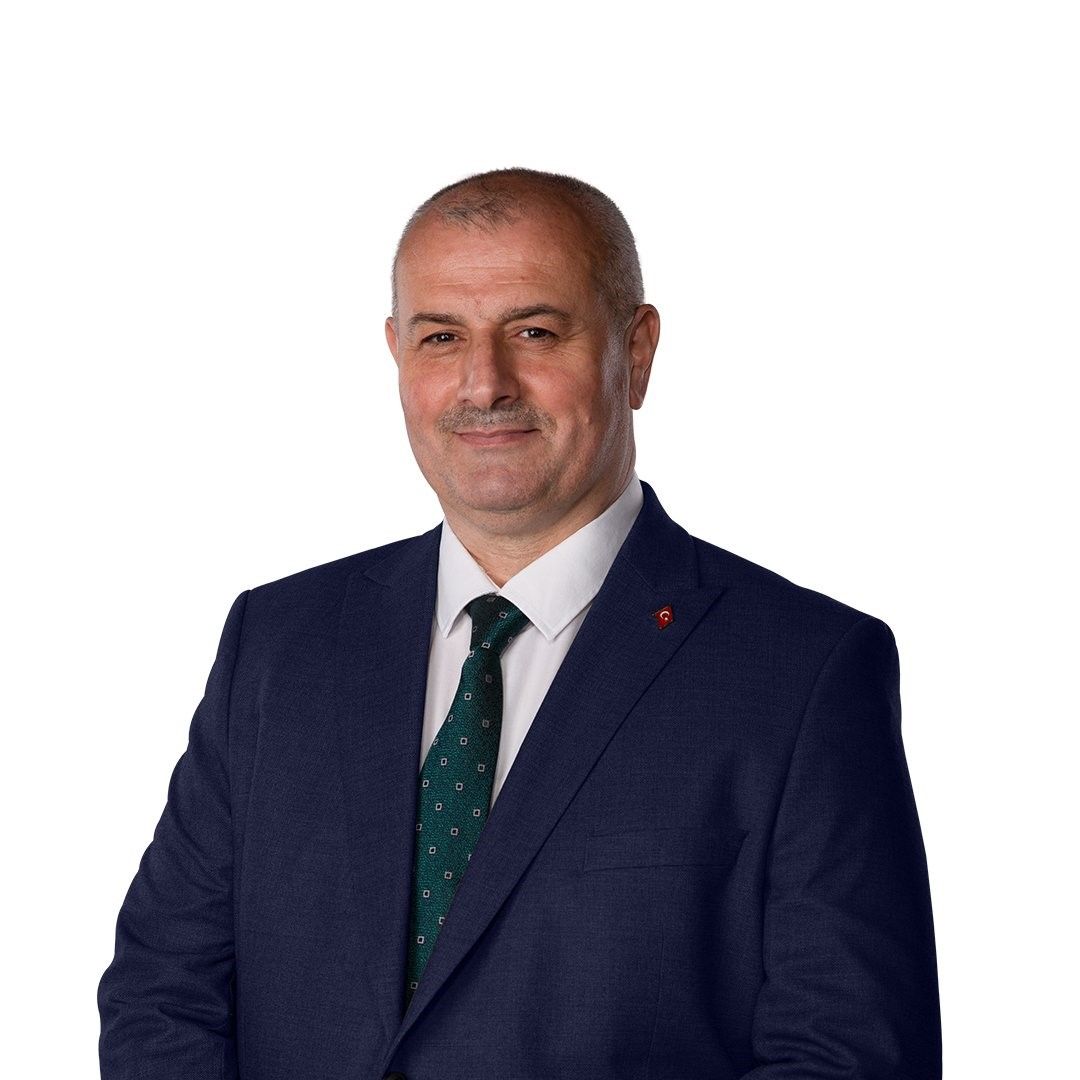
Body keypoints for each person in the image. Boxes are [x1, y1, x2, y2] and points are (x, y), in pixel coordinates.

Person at [98, 167, 942, 1080]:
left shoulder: (803, 671)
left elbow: (847, 1054)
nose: (484, 383)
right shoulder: (280, 641)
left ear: (637, 352)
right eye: (441, 337)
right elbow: (164, 993)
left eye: (535, 332)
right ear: (396, 354)